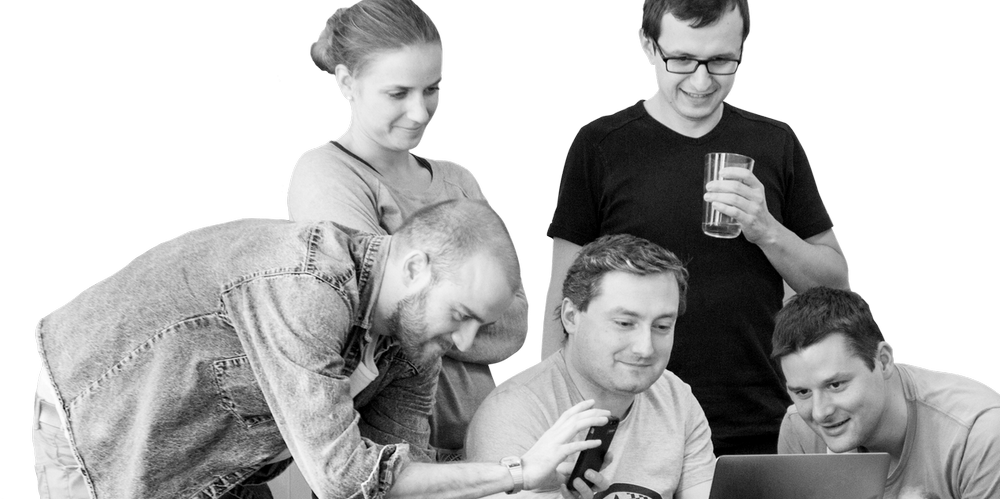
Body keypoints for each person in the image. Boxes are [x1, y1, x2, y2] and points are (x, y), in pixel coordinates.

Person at [31, 199, 612, 499]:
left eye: (479, 326)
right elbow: (345, 479)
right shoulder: (309, 286)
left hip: (219, 462)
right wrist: (515, 472)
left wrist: (539, 481)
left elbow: (394, 481)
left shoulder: (414, 348)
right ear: (415, 268)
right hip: (102, 430)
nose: (464, 343)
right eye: (460, 315)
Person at [540, 0, 850, 455]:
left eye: (721, 60)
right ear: (649, 46)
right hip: (631, 420)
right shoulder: (601, 145)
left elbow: (834, 284)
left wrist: (767, 230)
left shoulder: (774, 142)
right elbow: (564, 296)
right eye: (682, 59)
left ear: (742, 49)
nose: (702, 82)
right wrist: (556, 415)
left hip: (759, 415)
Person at [288, 0, 528, 462]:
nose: (419, 112)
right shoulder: (326, 174)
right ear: (347, 83)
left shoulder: (457, 180)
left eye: (432, 88)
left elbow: (514, 321)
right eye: (398, 93)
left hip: (484, 440)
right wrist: (465, 308)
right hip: (386, 453)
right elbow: (375, 313)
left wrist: (437, 308)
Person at [468, 234, 716, 499]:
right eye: (624, 323)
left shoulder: (676, 398)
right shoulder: (512, 413)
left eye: (662, 326)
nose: (645, 348)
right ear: (571, 317)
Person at [773, 286, 1000, 499]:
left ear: (883, 361)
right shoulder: (800, 431)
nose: (820, 412)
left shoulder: (980, 436)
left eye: (836, 385)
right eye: (803, 392)